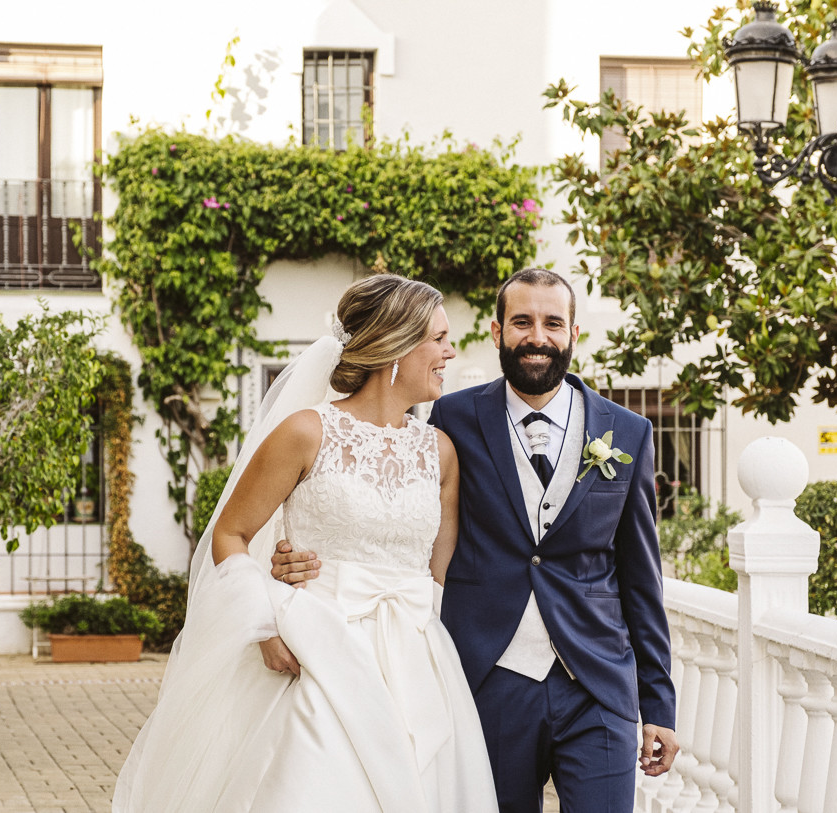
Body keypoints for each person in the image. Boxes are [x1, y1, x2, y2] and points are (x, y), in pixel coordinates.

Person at [275, 268, 678, 811]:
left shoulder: (627, 431)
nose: (537, 336)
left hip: (597, 684)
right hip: (488, 680)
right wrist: (300, 560)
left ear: (574, 334)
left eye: (553, 322)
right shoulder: (453, 420)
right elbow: (400, 523)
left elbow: (641, 578)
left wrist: (659, 705)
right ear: (496, 331)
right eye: (521, 322)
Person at [113, 274, 498, 813]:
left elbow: (438, 573)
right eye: (438, 338)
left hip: (416, 661)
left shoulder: (441, 452)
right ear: (395, 343)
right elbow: (231, 533)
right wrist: (264, 626)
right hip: (318, 651)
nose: (449, 352)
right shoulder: (305, 431)